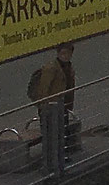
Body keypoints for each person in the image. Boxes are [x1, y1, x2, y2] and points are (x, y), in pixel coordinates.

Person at [29, 43, 76, 172]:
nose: (65, 56)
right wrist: (44, 105)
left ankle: (59, 157)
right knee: (51, 133)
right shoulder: (51, 68)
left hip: (62, 105)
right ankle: (51, 161)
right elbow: (44, 88)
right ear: (58, 53)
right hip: (51, 106)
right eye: (63, 53)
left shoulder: (68, 67)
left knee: (61, 131)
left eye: (68, 53)